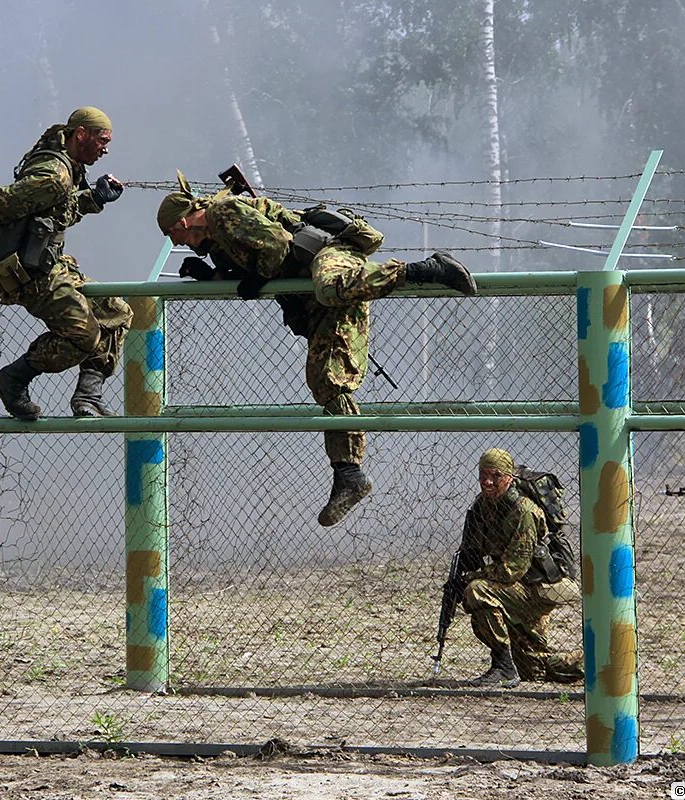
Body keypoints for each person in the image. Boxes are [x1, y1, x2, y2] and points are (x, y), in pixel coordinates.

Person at [156, 173, 477, 527]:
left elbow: (277, 246)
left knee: (330, 287)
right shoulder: (218, 240)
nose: (180, 243)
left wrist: (259, 277)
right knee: (325, 379)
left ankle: (428, 269)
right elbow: (250, 270)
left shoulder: (222, 213)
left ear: (182, 221)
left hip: (329, 254)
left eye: (174, 235)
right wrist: (210, 276)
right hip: (307, 284)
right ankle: (350, 475)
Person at [0, 106, 133, 420]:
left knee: (116, 312)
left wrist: (95, 198)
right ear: (80, 135)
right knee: (84, 336)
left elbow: (53, 215)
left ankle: (88, 398)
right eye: (102, 140)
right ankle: (14, 378)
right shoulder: (55, 174)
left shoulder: (66, 170)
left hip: (50, 265)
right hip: (30, 273)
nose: (106, 148)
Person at [457, 448, 583, 687]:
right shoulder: (483, 507)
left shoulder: (523, 511)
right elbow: (474, 550)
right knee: (534, 670)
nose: (488, 481)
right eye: (483, 475)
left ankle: (503, 667)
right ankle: (600, 665)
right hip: (519, 588)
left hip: (539, 588)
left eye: (495, 475)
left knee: (477, 590)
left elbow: (511, 570)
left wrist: (473, 576)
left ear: (509, 477)